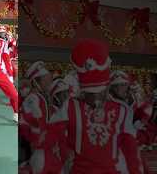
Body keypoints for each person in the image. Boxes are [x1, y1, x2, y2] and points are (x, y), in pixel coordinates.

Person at [42, 39, 143, 174]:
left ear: (107, 89)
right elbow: (49, 139)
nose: (96, 100)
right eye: (91, 94)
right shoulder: (70, 107)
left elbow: (131, 150)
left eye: (98, 94)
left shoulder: (122, 110)